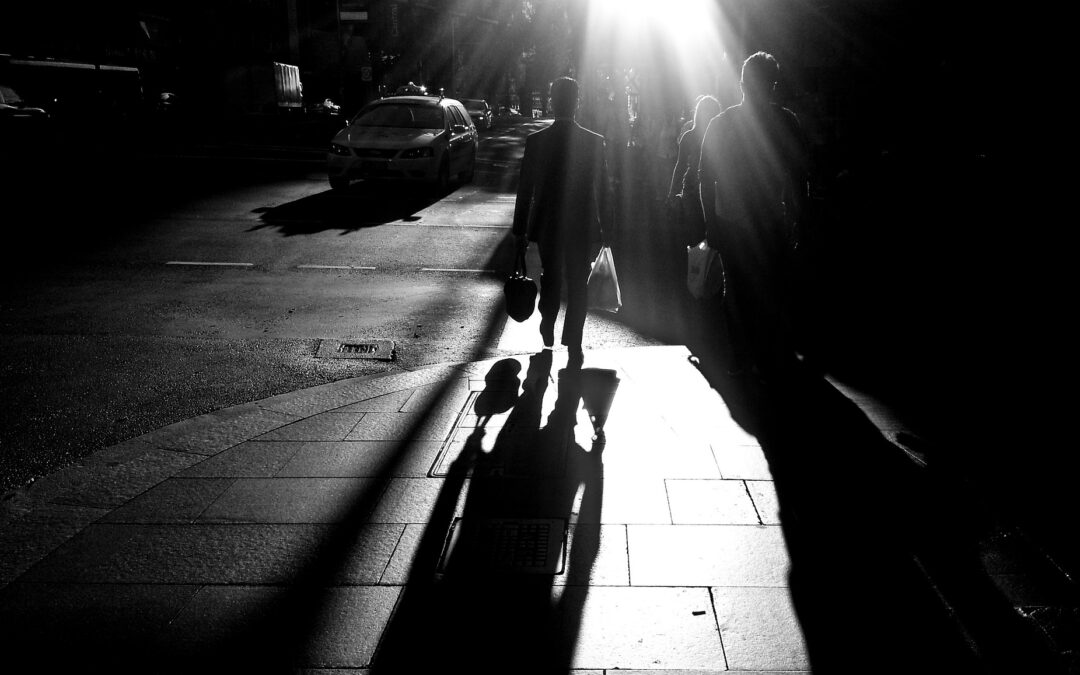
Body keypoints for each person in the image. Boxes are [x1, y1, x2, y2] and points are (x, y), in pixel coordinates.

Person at [697, 51, 809, 380]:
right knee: (773, 289)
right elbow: (799, 176)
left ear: (742, 83)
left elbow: (705, 176)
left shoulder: (721, 124)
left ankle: (742, 356)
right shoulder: (786, 122)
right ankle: (768, 354)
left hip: (733, 221)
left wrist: (711, 222)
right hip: (773, 222)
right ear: (773, 85)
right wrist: (800, 218)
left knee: (738, 292)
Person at [513, 77, 611, 366]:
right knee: (579, 280)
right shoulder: (594, 142)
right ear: (577, 102)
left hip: (547, 223)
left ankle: (548, 319)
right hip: (581, 223)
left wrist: (520, 229)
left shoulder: (537, 142)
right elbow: (603, 188)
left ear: (553, 102)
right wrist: (608, 227)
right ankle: (573, 337)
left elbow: (525, 188)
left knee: (551, 274)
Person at [667, 94, 723, 246]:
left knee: (697, 237)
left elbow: (680, 167)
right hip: (708, 190)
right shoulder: (717, 138)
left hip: (694, 190)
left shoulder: (689, 136)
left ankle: (697, 266)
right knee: (711, 236)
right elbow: (680, 166)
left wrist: (673, 193)